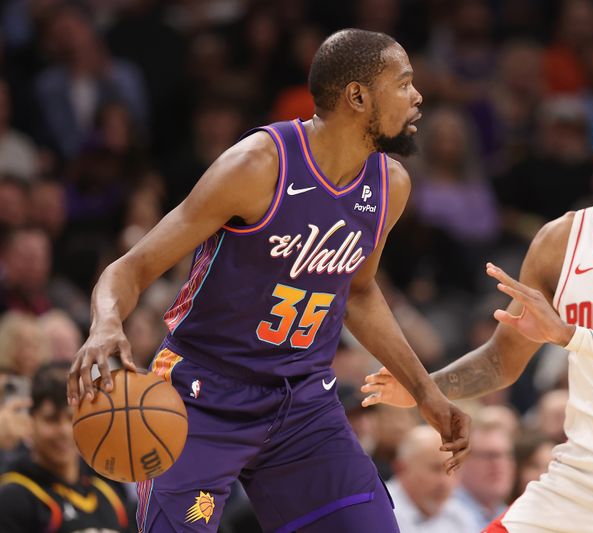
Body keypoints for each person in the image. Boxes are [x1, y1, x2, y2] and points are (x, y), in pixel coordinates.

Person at [67, 28, 470, 533]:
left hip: (303, 402)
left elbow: (359, 293)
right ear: (358, 96)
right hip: (202, 397)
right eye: (404, 82)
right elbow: (130, 268)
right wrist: (106, 324)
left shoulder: (390, 184)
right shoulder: (258, 165)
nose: (418, 96)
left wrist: (427, 393)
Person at [363, 95, 593, 532]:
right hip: (582, 476)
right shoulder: (560, 241)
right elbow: (503, 359)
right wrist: (424, 389)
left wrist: (572, 335)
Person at [0, 362, 131, 532]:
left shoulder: (108, 492)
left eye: (71, 417)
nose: (64, 431)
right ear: (30, 422)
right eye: (51, 419)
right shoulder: (15, 495)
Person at [385, 425, 474, 533]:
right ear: (401, 469)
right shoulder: (379, 514)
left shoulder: (459, 516)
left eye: (453, 470)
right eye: (436, 469)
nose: (445, 482)